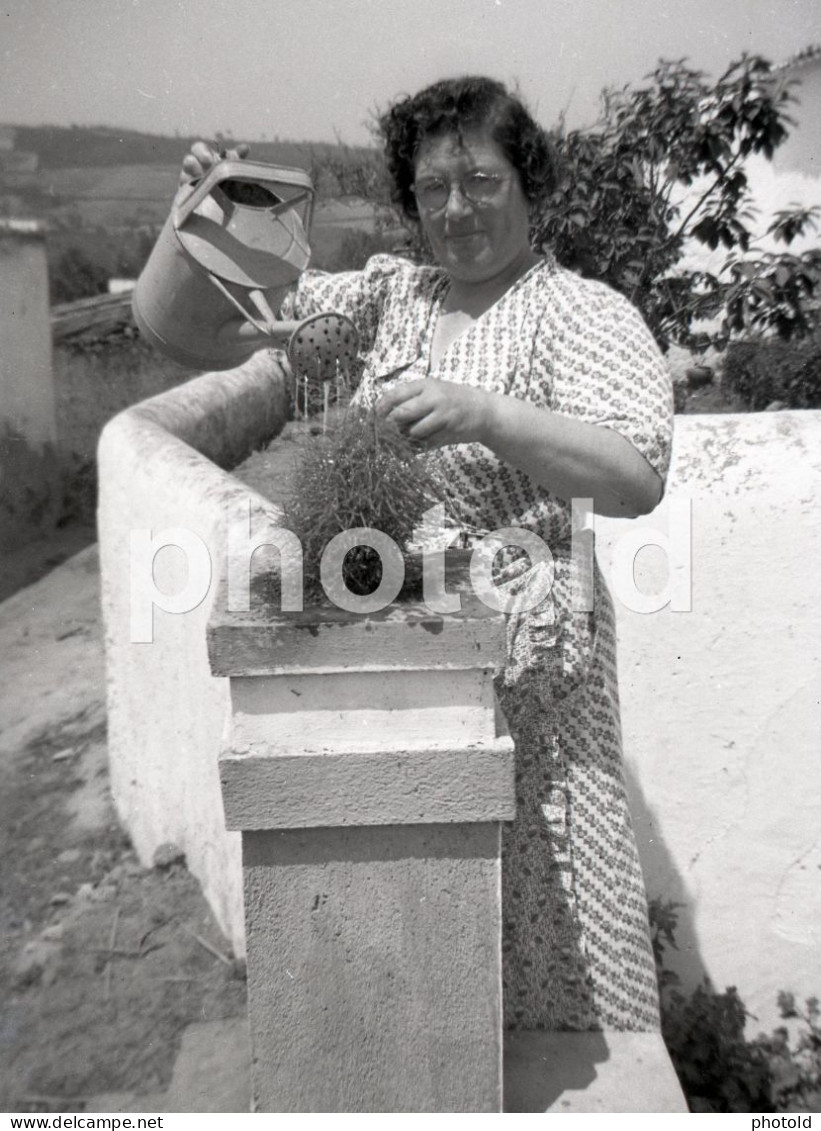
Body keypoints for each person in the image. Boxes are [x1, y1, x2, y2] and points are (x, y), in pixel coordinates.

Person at [182, 75, 673, 1031]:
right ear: (409, 202)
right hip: (410, 654)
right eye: (432, 188)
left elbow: (636, 475)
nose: (456, 208)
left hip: (535, 685)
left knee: (538, 907)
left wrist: (484, 414)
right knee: (417, 932)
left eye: (480, 179)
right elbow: (218, 322)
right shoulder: (387, 298)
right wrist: (210, 215)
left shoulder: (579, 313)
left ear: (528, 184)